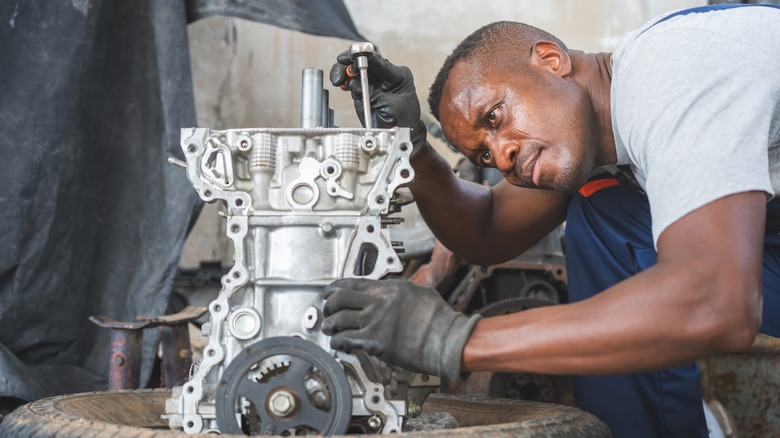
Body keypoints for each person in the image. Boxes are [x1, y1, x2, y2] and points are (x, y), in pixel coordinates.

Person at [323, 4, 780, 437]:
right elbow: (487, 231)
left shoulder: (672, 67)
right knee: (602, 208)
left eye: (495, 116)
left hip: (730, 293)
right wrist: (413, 149)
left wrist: (451, 340)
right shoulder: (597, 141)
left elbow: (717, 301)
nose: (501, 155)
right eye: (483, 153)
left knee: (604, 213)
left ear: (550, 59)